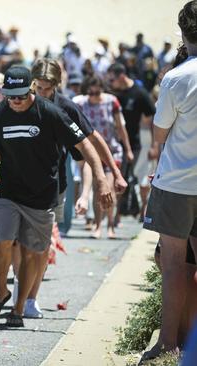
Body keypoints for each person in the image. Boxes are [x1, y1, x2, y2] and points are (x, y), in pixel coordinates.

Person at [0, 66, 111, 327]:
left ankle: (17, 310)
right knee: (3, 240)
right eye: (10, 96)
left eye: (20, 95)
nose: (15, 101)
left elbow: (85, 143)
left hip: (42, 196)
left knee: (31, 253)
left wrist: (101, 177)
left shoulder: (50, 113)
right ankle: (1, 291)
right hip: (9, 192)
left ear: (30, 90)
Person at [18, 58, 126, 318]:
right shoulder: (18, 101)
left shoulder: (66, 108)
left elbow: (92, 139)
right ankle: (18, 292)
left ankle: (30, 298)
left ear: (56, 85)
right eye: (37, 87)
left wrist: (112, 172)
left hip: (53, 187)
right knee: (16, 244)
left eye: (46, 88)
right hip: (17, 183)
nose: (41, 93)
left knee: (40, 246)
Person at [142, 1, 197, 360]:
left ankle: (169, 342)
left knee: (174, 264)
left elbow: (158, 133)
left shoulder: (178, 77)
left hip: (178, 183)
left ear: (183, 32)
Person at [73, 77, 133, 239]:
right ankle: (98, 225)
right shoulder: (81, 104)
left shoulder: (111, 102)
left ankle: (110, 225)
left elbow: (120, 127)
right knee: (98, 187)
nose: (94, 95)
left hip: (112, 151)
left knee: (111, 189)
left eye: (97, 91)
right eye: (91, 92)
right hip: (92, 153)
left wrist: (128, 149)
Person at [106, 63, 156, 221]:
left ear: (121, 76)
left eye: (112, 79)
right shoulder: (114, 94)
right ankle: (117, 215)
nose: (110, 83)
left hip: (134, 144)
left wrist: (155, 145)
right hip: (114, 143)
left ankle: (135, 211)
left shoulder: (139, 94)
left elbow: (153, 118)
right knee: (117, 178)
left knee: (132, 178)